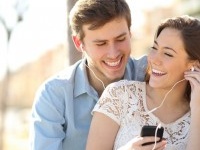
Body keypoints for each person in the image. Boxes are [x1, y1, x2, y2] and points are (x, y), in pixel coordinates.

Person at [29, 0, 147, 150]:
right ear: (79, 43)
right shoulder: (53, 95)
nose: (113, 53)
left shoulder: (150, 75)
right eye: (101, 43)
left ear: (130, 34)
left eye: (121, 39)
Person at [86, 15, 200, 150]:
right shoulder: (119, 95)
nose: (153, 59)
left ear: (193, 66)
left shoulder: (196, 113)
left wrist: (197, 109)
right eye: (154, 48)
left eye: (168, 54)